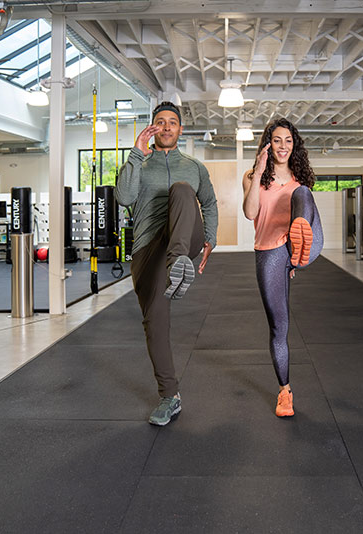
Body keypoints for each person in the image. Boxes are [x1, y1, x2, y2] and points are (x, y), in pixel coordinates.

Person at [115, 101, 218, 426]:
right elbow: (123, 198)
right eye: (161, 122)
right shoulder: (139, 165)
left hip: (183, 243)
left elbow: (210, 203)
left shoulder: (194, 166)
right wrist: (135, 152)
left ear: (180, 129)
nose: (167, 126)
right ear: (153, 128)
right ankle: (169, 396)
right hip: (148, 250)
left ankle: (177, 263)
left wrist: (210, 239)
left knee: (182, 191)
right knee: (155, 322)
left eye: (173, 122)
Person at [242, 117, 323, 418]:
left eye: (288, 141)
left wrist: (295, 243)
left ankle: (300, 244)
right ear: (268, 143)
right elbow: (251, 212)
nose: (283, 146)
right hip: (269, 253)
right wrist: (260, 170)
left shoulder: (300, 181)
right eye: (277, 140)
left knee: (303, 194)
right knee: (279, 326)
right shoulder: (253, 176)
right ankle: (284, 391)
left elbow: (303, 194)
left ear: (295, 145)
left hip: (292, 246)